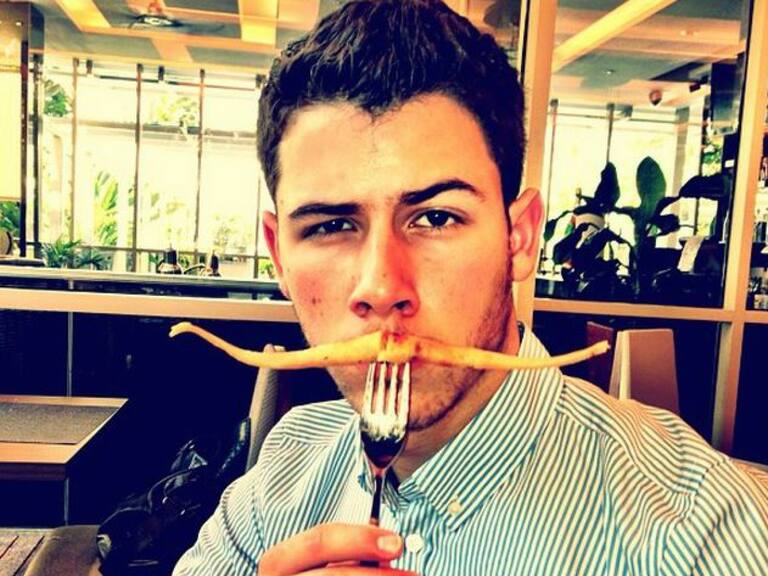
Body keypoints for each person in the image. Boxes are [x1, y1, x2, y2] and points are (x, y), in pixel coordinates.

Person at [174, 1, 768, 574]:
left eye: (436, 217)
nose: (380, 286)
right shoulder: (279, 476)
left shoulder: (701, 532)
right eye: (331, 226)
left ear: (520, 238)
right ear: (279, 255)